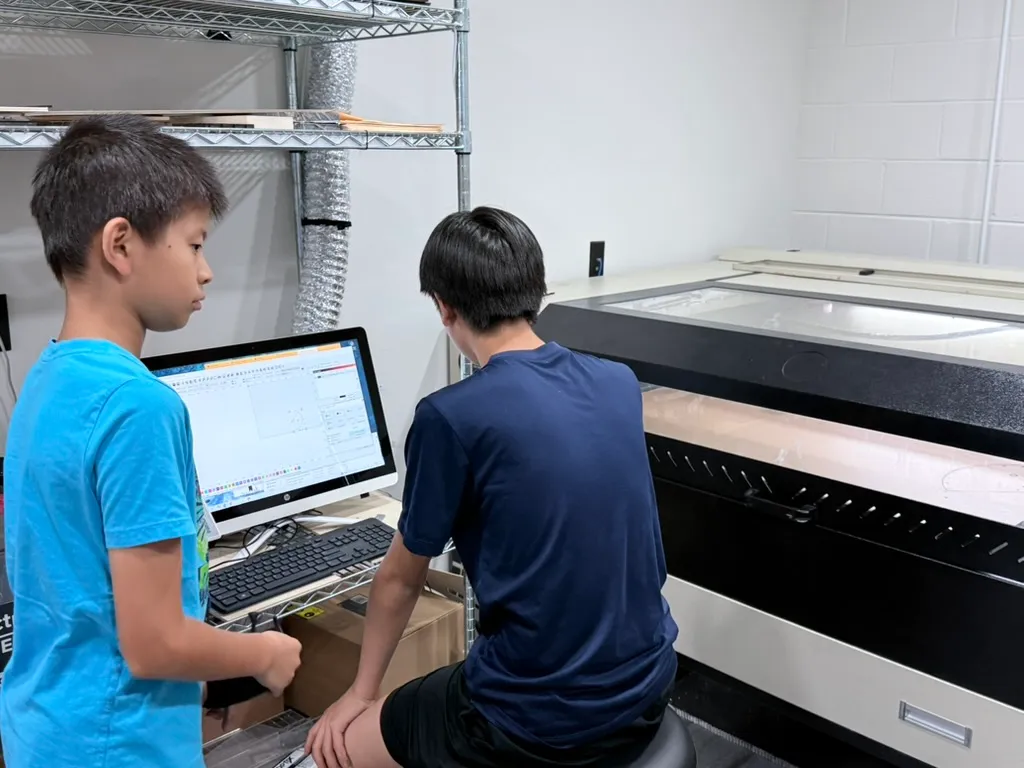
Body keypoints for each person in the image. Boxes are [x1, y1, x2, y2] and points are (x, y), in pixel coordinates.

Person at [307, 207, 679, 768]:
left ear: (444, 307)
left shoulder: (450, 418)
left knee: (337, 750)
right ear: (537, 290)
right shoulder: (617, 382)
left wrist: (360, 695)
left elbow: (399, 580)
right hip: (648, 686)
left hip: (536, 720)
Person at [0, 115, 302, 768]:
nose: (207, 271)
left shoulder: (49, 376)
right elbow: (155, 643)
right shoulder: (140, 406)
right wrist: (265, 653)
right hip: (118, 744)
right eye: (194, 245)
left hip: (47, 725)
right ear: (121, 245)